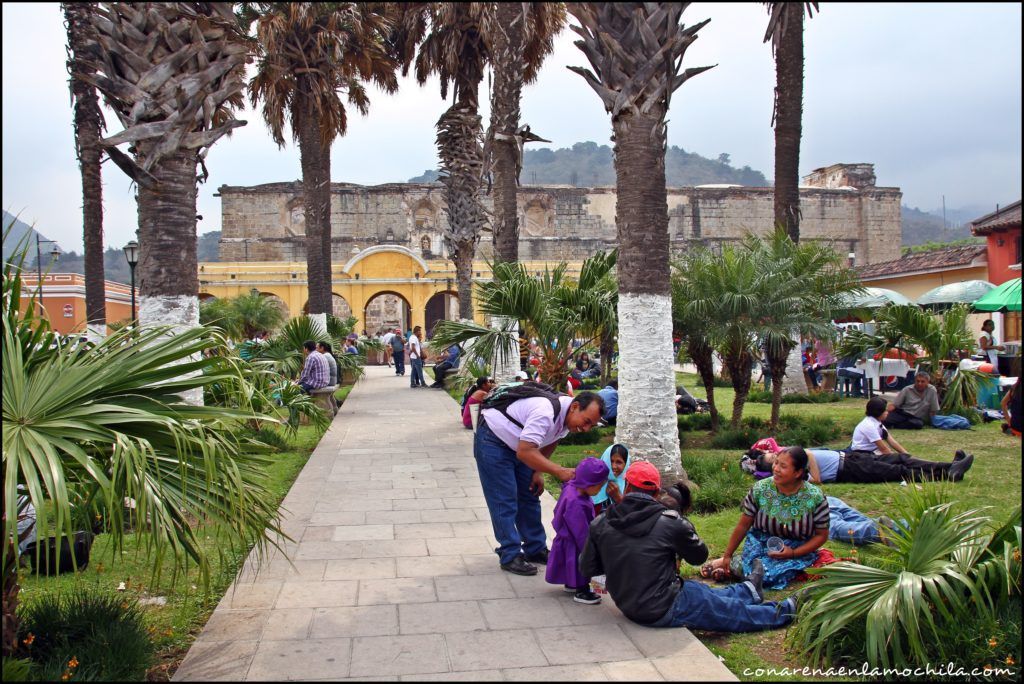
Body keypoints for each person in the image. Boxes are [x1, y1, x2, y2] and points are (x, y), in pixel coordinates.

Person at [580, 464, 798, 632]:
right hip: (659, 608)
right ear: (657, 492)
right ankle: (783, 611)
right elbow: (699, 556)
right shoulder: (669, 521)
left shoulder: (601, 522)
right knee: (724, 611)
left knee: (702, 592)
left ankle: (749, 590)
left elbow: (587, 568)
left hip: (628, 603)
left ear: (626, 486)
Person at [475, 388, 604, 575]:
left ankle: (535, 549)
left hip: (521, 444)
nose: (585, 429)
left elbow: (553, 439)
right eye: (586, 422)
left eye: (591, 426)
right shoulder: (545, 412)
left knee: (529, 494)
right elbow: (525, 452)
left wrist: (538, 471)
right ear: (575, 406)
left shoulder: (567, 417)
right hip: (494, 440)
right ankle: (510, 554)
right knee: (504, 499)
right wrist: (558, 471)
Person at [710, 447, 830, 590]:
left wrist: (792, 553)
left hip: (797, 548)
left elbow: (821, 536)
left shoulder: (815, 497)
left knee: (766, 574)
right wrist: (727, 555)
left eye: (783, 466)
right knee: (756, 565)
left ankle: (735, 570)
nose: (776, 469)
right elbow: (743, 525)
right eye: (776, 463)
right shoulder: (761, 489)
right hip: (760, 541)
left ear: (798, 472)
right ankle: (733, 565)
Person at [546, 457, 610, 604]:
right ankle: (583, 591)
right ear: (589, 483)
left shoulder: (571, 488)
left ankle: (571, 583)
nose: (600, 489)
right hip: (575, 540)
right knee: (582, 563)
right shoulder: (576, 503)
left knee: (572, 564)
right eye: (599, 486)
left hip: (567, 538)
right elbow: (580, 531)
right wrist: (592, 548)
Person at [755, 445, 973, 485]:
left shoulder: (794, 456)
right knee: (899, 472)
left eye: (774, 454)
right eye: (774, 460)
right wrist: (809, 455)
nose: (777, 457)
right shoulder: (797, 471)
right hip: (849, 470)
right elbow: (817, 478)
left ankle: (949, 466)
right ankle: (946, 476)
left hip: (850, 457)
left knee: (902, 458)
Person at [591, 443, 630, 515]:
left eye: (619, 462)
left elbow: (631, 516)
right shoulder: (592, 484)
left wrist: (618, 498)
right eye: (610, 461)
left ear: (626, 464)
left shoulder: (629, 486)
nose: (613, 466)